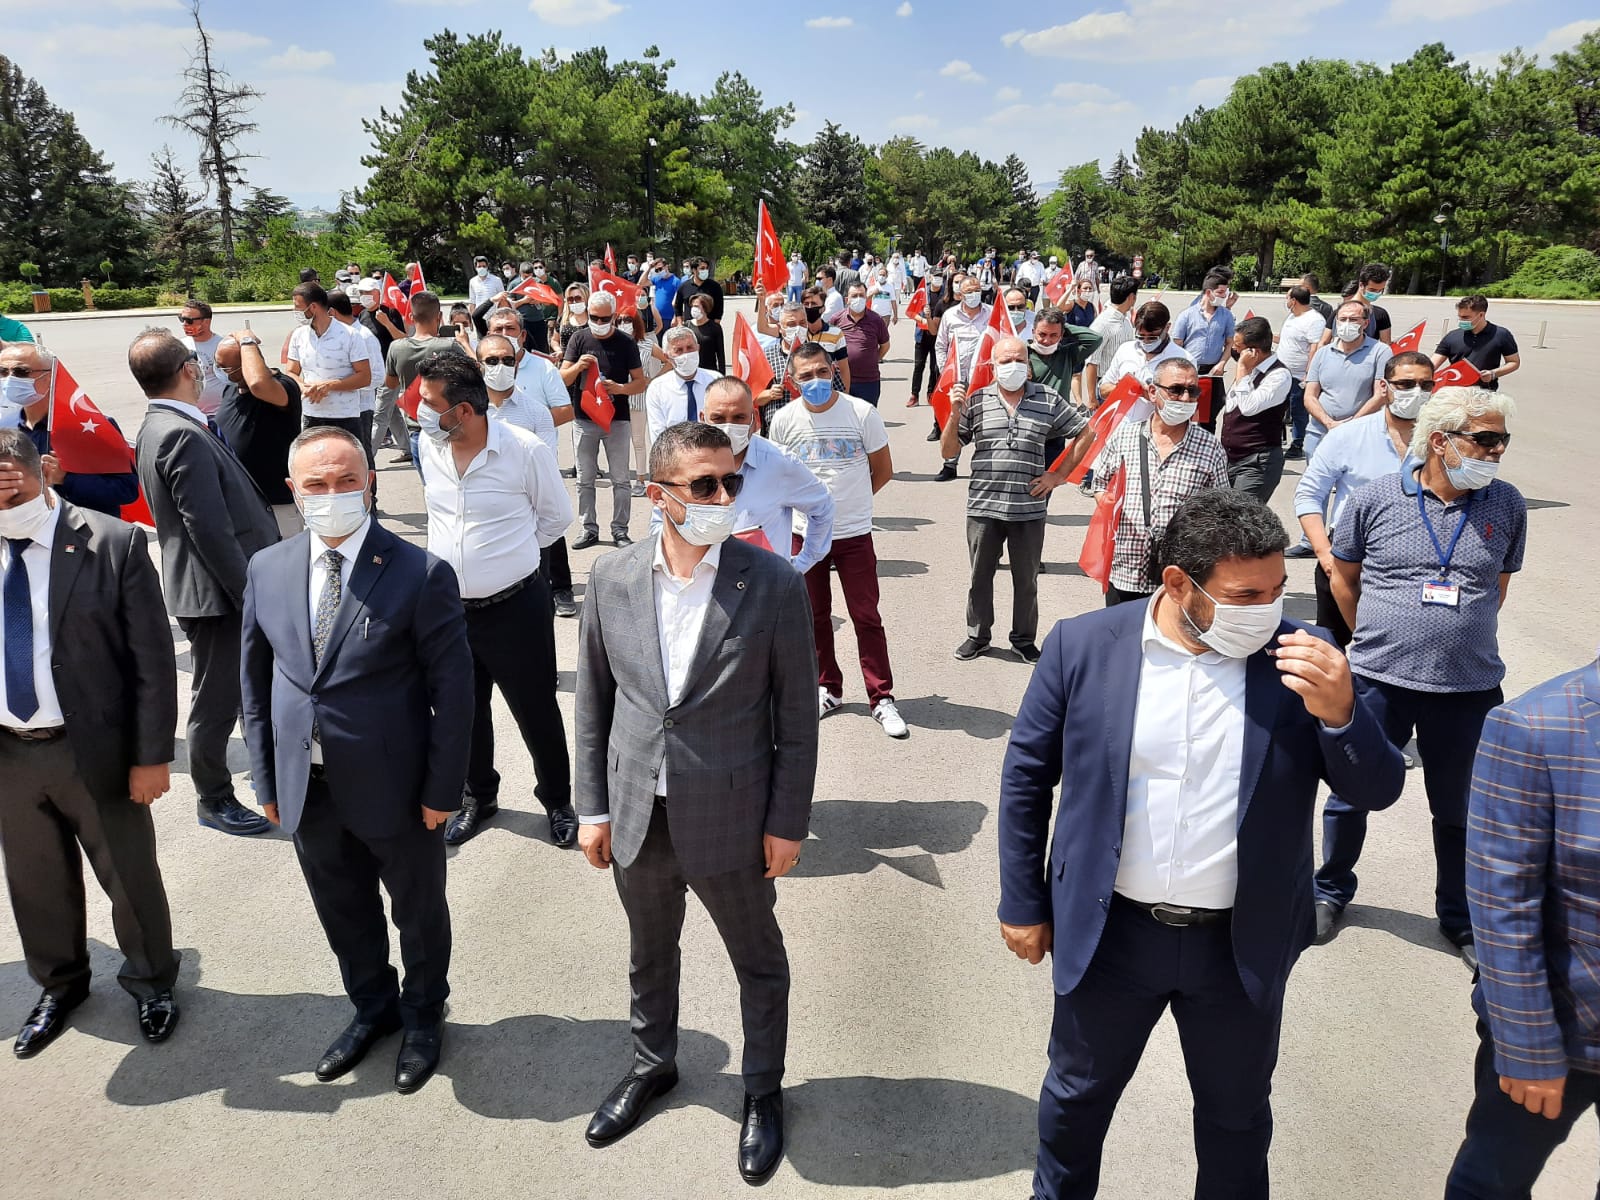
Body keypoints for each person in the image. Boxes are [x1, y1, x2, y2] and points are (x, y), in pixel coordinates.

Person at [998, 487, 1405, 1200]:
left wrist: (1342, 715)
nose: (1268, 611)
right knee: (1074, 1105)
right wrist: (1022, 902)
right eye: (1245, 595)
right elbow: (1028, 776)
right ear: (1179, 583)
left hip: (1238, 949)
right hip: (1111, 939)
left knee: (1235, 1122)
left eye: (1277, 591)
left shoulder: (1304, 660)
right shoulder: (1084, 646)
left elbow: (1375, 789)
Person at [573, 422, 818, 1184]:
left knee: (758, 961)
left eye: (730, 482)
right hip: (638, 812)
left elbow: (796, 720)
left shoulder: (772, 583)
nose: (722, 497)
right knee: (649, 952)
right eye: (704, 486)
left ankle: (762, 1089)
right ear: (658, 495)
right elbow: (593, 704)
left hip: (734, 818)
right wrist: (591, 809)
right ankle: (653, 1064)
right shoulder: (612, 579)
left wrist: (787, 823)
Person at [240, 426, 473, 1095]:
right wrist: (266, 777)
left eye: (347, 480)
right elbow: (254, 682)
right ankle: (373, 1007)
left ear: (370, 483)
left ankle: (424, 1015)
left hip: (398, 787)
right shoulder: (268, 568)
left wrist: (443, 790)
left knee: (417, 911)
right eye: (316, 484)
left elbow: (455, 696)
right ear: (293, 490)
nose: (333, 494)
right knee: (342, 908)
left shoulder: (420, 572)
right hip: (306, 785)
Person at [1314, 385, 1526, 966]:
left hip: (1468, 689)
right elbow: (1344, 579)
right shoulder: (1376, 499)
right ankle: (1329, 889)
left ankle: (1458, 918)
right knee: (1350, 794)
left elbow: (1496, 588)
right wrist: (1380, 638)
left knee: (1459, 809)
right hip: (1378, 680)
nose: (1497, 451)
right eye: (1485, 439)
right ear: (1439, 441)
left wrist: (1450, 636)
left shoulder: (1507, 504)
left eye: (1502, 440)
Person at [0, 429, 182, 1057]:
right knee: (35, 881)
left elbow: (152, 661)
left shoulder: (111, 542)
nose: (5, 506)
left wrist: (151, 756)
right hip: (11, 753)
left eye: (12, 491)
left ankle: (153, 982)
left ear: (43, 473)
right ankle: (61, 985)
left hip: (95, 748)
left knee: (129, 876)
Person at [1444, 656, 1600, 1198]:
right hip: (1562, 1025)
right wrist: (1528, 1044)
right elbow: (1502, 905)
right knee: (1491, 1181)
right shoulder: (1536, 727)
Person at [414, 353, 576, 849]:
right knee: (461, 710)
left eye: (429, 402)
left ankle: (558, 801)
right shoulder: (429, 446)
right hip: (449, 611)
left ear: (463, 410)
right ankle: (478, 797)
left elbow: (556, 519)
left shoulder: (524, 450)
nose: (419, 410)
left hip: (515, 608)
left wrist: (509, 558)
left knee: (536, 710)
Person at [131, 329, 278, 837]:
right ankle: (213, 797)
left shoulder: (163, 424)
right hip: (216, 594)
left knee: (243, 692)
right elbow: (208, 528)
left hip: (215, 589)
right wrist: (249, 593)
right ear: (189, 371)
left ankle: (268, 775)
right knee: (215, 701)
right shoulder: (178, 433)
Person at [767, 344, 905, 738]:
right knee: (813, 616)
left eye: (821, 372)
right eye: (805, 376)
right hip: (804, 536)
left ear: (833, 371)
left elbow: (882, 470)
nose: (815, 381)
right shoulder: (783, 421)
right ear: (792, 381)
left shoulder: (862, 413)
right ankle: (828, 688)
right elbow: (780, 479)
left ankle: (881, 697)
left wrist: (849, 506)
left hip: (853, 533)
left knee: (866, 616)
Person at [942, 337, 1089, 663]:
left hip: (1029, 509)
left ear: (1029, 366)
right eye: (1005, 361)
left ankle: (1023, 640)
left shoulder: (1047, 399)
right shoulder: (976, 400)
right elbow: (949, 450)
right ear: (993, 367)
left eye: (1020, 360)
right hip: (983, 507)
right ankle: (977, 635)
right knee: (980, 578)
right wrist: (954, 414)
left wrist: (1057, 475)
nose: (1013, 366)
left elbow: (1085, 432)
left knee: (1027, 581)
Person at [1293, 352, 1434, 647]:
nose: (1416, 392)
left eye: (1425, 385)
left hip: (1418, 559)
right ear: (1384, 386)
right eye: (1405, 384)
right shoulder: (1347, 436)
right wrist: (1324, 553)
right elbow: (1309, 494)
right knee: (1333, 646)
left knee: (1404, 643)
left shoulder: (1442, 442)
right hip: (1349, 558)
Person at [1092, 357, 1228, 607]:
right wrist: (1110, 505)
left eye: (1192, 391)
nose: (1185, 398)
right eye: (1176, 390)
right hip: (1125, 568)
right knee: (1122, 631)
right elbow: (1099, 483)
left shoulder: (1210, 448)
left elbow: (1220, 510)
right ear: (1153, 392)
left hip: (1180, 575)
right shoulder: (1124, 437)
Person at [699, 375, 833, 570]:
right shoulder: (687, 464)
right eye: (718, 418)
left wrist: (803, 562)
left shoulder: (779, 462)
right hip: (704, 581)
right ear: (702, 419)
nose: (728, 427)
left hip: (765, 584)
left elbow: (822, 505)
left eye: (739, 418)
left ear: (754, 419)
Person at [0, 342, 139, 518]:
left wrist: (65, 479)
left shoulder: (90, 427)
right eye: (3, 372)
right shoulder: (6, 427)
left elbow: (126, 489)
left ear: (49, 376)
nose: (10, 379)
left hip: (84, 530)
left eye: (21, 372)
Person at [560, 289, 646, 550]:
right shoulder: (579, 338)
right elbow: (563, 378)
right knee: (585, 478)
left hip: (617, 419)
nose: (598, 323)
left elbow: (640, 382)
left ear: (614, 316)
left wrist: (620, 388)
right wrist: (578, 366)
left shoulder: (626, 342)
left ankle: (620, 530)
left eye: (604, 318)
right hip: (584, 418)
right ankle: (588, 528)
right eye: (594, 317)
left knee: (620, 478)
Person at [213, 331, 304, 536]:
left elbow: (258, 384)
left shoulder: (284, 387)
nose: (220, 372)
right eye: (218, 365)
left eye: (226, 367)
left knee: (284, 555)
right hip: (240, 502)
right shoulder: (231, 389)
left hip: (275, 505)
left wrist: (247, 341)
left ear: (248, 363)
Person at [1298, 298, 1392, 465]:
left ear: (1365, 323)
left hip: (1360, 433)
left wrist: (1351, 424)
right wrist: (1329, 423)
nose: (1347, 324)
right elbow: (1309, 396)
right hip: (1320, 432)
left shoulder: (1380, 352)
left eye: (1353, 319)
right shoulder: (1322, 353)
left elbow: (1380, 395)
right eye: (1342, 319)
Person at [287, 283, 373, 462]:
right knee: (315, 464)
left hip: (345, 416)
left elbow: (364, 377)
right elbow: (291, 371)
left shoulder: (350, 335)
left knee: (348, 465)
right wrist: (303, 387)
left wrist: (329, 386)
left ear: (313, 307)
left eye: (298, 306)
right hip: (311, 415)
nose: (295, 312)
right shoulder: (299, 335)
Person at [379, 291, 465, 470]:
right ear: (439, 316)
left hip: (416, 427)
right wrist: (464, 343)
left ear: (411, 317)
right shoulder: (449, 346)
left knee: (428, 482)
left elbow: (391, 384)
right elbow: (474, 376)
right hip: (447, 427)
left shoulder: (396, 348)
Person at [1219, 316, 1291, 503]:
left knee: (1240, 514)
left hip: (1257, 461)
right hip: (1230, 459)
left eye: (1238, 346)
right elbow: (1231, 406)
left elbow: (1248, 407)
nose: (1234, 350)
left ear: (1254, 351)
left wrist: (1242, 369)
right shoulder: (1250, 369)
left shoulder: (1278, 375)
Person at [933, 276, 993, 482]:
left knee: (986, 423)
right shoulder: (950, 315)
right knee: (953, 421)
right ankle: (950, 464)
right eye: (969, 292)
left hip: (984, 380)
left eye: (977, 290)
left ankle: (986, 467)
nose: (974, 294)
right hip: (957, 380)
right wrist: (946, 372)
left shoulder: (991, 314)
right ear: (960, 293)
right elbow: (941, 345)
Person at [324, 290, 384, 473]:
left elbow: (377, 376)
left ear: (331, 312)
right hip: (337, 409)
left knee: (362, 460)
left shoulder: (364, 336)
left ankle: (370, 492)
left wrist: (347, 385)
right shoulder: (336, 335)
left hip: (360, 410)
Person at [759, 299, 850, 416]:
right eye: (791, 324)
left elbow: (838, 393)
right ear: (780, 328)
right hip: (777, 423)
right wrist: (769, 394)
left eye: (802, 323)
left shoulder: (819, 354)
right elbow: (754, 398)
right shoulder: (767, 357)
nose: (798, 328)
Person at [644, 326, 721, 449]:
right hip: (675, 455)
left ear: (698, 348)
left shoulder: (716, 381)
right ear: (667, 357)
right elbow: (658, 436)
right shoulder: (657, 389)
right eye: (679, 350)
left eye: (690, 348)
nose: (686, 354)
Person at [1278, 285, 1327, 460]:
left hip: (1299, 375)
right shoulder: (1293, 316)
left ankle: (1298, 443)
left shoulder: (1314, 320)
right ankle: (1278, 439)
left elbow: (1315, 348)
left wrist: (1308, 374)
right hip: (1282, 372)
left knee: (1298, 410)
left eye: (1287, 298)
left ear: (1294, 301)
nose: (1286, 301)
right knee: (1278, 407)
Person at [1433, 295, 1520, 391]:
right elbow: (1433, 364)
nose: (1461, 320)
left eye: (1465, 317)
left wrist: (1493, 373)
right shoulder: (1452, 336)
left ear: (1481, 315)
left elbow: (1514, 362)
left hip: (1484, 392)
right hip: (1455, 392)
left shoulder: (1501, 335)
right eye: (1460, 317)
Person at [1170, 272, 1238, 396]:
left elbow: (1230, 343)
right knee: (1188, 404)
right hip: (1189, 370)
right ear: (1208, 292)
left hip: (1213, 372)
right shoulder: (1186, 315)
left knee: (1214, 405)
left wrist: (1222, 363)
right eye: (1220, 292)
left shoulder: (1226, 315)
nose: (1224, 296)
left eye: (1225, 292)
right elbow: (1177, 345)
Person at [829, 282, 892, 407]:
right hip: (841, 380)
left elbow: (885, 346)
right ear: (847, 300)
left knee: (866, 416)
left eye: (861, 295)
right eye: (854, 296)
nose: (858, 299)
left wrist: (873, 359)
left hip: (868, 382)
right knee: (842, 416)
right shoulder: (836, 319)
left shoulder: (876, 320)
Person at [1081, 277, 1139, 408]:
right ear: (1131, 297)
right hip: (1106, 389)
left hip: (1125, 385)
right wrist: (1092, 398)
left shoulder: (1125, 319)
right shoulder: (1103, 324)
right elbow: (1091, 362)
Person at [177, 299, 227, 415]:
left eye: (189, 320)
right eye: (182, 319)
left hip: (217, 414)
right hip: (190, 414)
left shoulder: (222, 346)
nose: (184, 324)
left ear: (206, 322)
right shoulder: (179, 346)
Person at [673, 257, 724, 324]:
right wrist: (680, 323)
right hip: (690, 326)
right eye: (702, 268)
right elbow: (677, 306)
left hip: (709, 326)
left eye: (706, 268)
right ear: (694, 270)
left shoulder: (715, 287)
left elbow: (719, 308)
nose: (705, 270)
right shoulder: (684, 286)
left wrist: (715, 325)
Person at [684, 292, 725, 375]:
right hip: (691, 372)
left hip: (709, 372)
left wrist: (722, 375)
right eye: (692, 306)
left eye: (696, 306)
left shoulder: (715, 328)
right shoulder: (687, 326)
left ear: (705, 308)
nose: (693, 309)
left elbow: (720, 354)